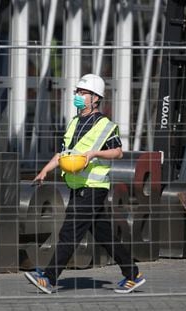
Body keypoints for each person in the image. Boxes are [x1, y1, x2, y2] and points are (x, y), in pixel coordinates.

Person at [24, 74, 146, 294]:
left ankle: (49, 278)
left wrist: (93, 154)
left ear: (95, 98)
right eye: (77, 92)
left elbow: (118, 152)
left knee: (69, 232)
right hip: (77, 186)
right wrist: (44, 171)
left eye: (83, 93)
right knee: (103, 234)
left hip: (93, 188)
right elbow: (63, 153)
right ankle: (132, 274)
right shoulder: (74, 122)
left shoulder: (105, 125)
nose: (78, 96)